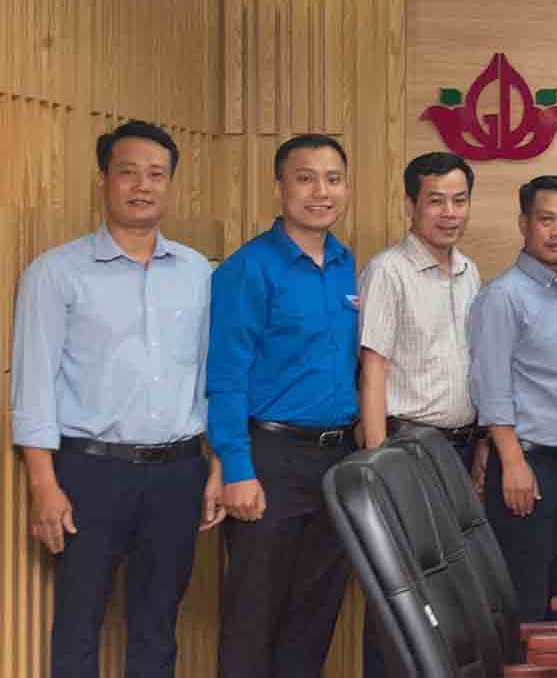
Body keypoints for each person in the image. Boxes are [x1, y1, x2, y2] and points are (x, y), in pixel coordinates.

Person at [10, 121, 222, 678]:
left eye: (156, 174)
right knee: (78, 625)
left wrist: (217, 466)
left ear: (170, 184)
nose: (142, 185)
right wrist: (43, 485)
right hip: (89, 473)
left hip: (178, 472)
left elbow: (213, 379)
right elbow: (31, 386)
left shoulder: (199, 273)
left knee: (158, 628)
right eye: (127, 172)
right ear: (104, 179)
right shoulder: (56, 272)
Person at [207, 133, 359, 678]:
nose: (321, 192)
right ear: (279, 187)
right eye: (305, 178)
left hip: (336, 461)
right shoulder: (248, 269)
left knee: (313, 616)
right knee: (254, 616)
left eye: (333, 179)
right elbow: (225, 378)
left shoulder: (347, 265)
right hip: (269, 457)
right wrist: (237, 469)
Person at [471, 176, 557, 621]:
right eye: (547, 220)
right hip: (527, 469)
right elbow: (491, 385)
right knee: (524, 610)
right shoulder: (503, 297)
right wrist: (512, 462)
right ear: (524, 224)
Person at [358, 152, 482, 460]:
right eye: (436, 201)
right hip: (409, 446)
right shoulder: (388, 271)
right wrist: (378, 463)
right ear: (410, 206)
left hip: (462, 444)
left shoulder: (470, 270)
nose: (450, 213)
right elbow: (372, 371)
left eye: (460, 201)